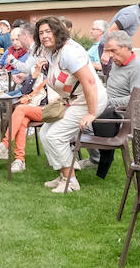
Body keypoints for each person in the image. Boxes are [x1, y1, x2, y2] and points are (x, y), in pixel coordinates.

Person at [33, 16, 100, 194]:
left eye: (48, 31)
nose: (45, 36)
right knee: (45, 133)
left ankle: (71, 181)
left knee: (56, 136)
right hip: (73, 99)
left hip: (89, 100)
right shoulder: (52, 51)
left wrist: (91, 114)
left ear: (58, 31)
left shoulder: (70, 52)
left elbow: (90, 82)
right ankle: (63, 176)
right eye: (41, 33)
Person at [89, 30, 140, 179]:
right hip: (108, 107)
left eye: (113, 51)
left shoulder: (138, 68)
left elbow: (138, 99)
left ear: (126, 48)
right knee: (76, 113)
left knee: (90, 118)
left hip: (123, 115)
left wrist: (108, 101)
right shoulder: (117, 64)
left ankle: (101, 160)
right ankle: (92, 157)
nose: (110, 55)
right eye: (107, 51)